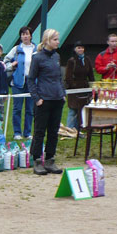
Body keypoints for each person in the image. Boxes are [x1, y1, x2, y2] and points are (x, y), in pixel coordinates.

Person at [28, 29, 65, 176]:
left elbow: (59, 78)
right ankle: (37, 160)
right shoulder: (37, 58)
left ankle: (50, 159)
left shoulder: (57, 56)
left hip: (57, 99)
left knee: (53, 132)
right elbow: (31, 79)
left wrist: (63, 93)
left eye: (57, 39)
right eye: (55, 39)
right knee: (39, 131)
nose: (58, 42)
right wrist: (37, 98)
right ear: (47, 41)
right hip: (44, 100)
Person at [3, 26, 37, 140]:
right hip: (17, 82)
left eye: (27, 34)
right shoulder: (16, 49)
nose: (25, 36)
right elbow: (4, 63)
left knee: (30, 109)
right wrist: (11, 65)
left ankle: (27, 133)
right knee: (17, 108)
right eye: (23, 34)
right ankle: (17, 132)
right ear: (20, 37)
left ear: (31, 35)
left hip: (32, 83)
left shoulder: (37, 49)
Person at [64, 40, 95, 130]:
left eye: (82, 47)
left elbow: (90, 74)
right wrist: (74, 86)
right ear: (75, 49)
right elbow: (68, 76)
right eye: (78, 48)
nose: (80, 49)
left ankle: (79, 127)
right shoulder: (71, 61)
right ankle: (69, 128)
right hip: (74, 89)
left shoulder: (87, 60)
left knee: (82, 109)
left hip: (84, 87)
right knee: (73, 109)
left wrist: (92, 86)